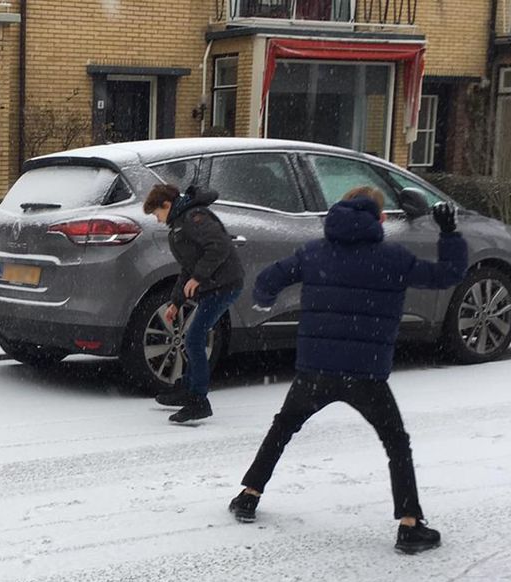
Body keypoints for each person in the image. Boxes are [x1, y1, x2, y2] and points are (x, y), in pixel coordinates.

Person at [228, 186, 467, 554]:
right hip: (366, 374)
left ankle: (249, 494)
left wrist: (264, 301)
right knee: (395, 442)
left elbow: (268, 280)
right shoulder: (393, 258)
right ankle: (410, 524)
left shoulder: (313, 252)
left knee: (283, 426)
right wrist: (449, 233)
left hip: (315, 369)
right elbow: (447, 275)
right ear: (380, 217)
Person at [142, 184, 245, 424]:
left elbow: (218, 246)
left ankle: (198, 400)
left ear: (166, 205)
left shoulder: (193, 218)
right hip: (213, 286)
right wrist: (176, 303)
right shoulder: (180, 225)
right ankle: (186, 389)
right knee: (193, 337)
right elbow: (187, 267)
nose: (158, 220)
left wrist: (199, 277)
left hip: (224, 285)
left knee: (194, 339)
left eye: (157, 214)